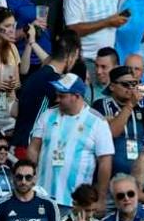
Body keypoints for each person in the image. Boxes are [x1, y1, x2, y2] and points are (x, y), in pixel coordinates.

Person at [28, 74, 114, 209]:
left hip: (76, 201)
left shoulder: (97, 122)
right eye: (57, 95)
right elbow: (33, 148)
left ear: (77, 96)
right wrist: (30, 179)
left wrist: (101, 198)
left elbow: (105, 162)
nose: (57, 99)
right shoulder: (47, 115)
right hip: (42, 195)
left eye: (62, 96)